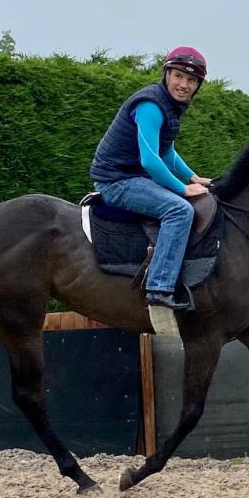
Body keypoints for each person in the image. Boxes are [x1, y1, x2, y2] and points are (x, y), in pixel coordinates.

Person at [90, 47, 213, 310]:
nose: (184, 84)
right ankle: (159, 287)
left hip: (133, 177)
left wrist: (192, 176)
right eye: (178, 76)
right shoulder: (151, 105)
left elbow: (166, 151)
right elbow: (150, 160)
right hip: (116, 182)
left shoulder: (169, 106)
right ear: (166, 74)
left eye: (191, 80)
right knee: (179, 210)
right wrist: (183, 189)